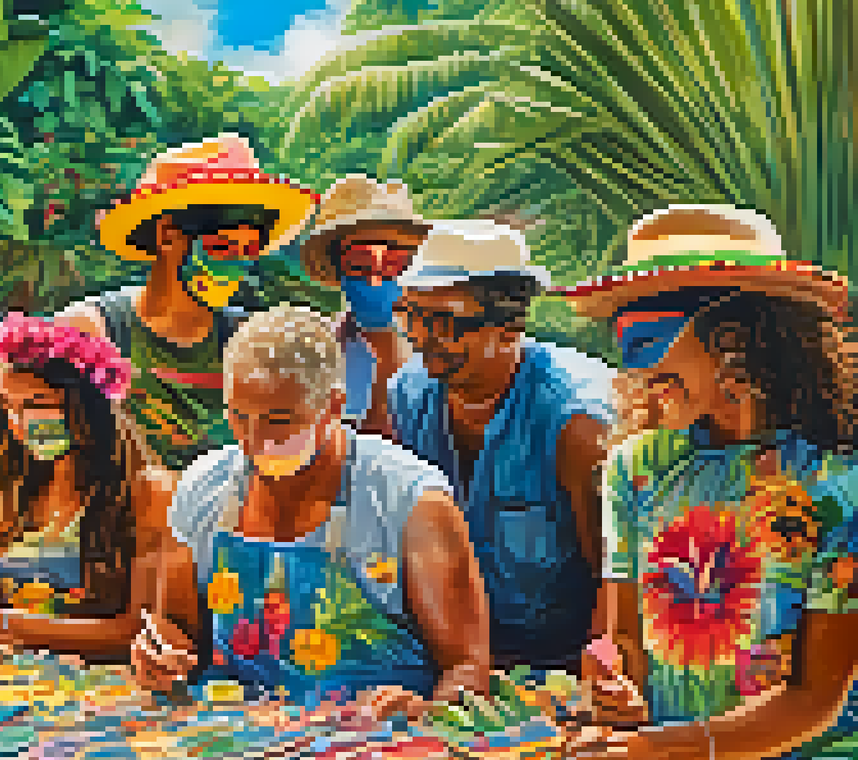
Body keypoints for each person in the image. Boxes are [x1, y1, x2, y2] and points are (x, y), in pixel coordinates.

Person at [554, 205, 858, 760]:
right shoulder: (635, 468)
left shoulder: (834, 485)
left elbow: (818, 700)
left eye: (645, 337)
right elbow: (625, 640)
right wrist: (614, 681)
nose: (634, 369)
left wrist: (659, 751)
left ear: (736, 342)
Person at [131, 305, 489, 713]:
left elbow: (467, 668)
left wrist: (425, 711)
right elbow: (177, 629)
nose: (253, 441)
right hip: (233, 738)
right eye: (238, 416)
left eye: (279, 420)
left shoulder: (409, 501)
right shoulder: (204, 487)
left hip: (372, 751)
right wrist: (158, 655)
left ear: (334, 406)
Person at [388, 220, 614, 673]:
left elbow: (612, 577)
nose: (421, 337)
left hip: (560, 666)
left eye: (444, 322)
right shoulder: (408, 396)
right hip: (448, 661)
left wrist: (595, 685)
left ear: (510, 329)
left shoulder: (576, 422)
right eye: (412, 316)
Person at [0, 314, 197, 658]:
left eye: (38, 404)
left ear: (89, 405)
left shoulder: (151, 492)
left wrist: (2, 625)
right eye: (10, 408)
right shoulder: (4, 485)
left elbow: (140, 630)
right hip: (8, 687)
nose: (21, 424)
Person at [58, 134, 319, 472]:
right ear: (167, 236)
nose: (236, 266)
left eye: (249, 251)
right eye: (222, 247)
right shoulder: (93, 330)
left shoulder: (254, 340)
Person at [300, 176, 429, 439]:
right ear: (338, 270)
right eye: (360, 261)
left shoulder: (452, 343)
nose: (376, 277)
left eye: (393, 259)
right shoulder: (317, 353)